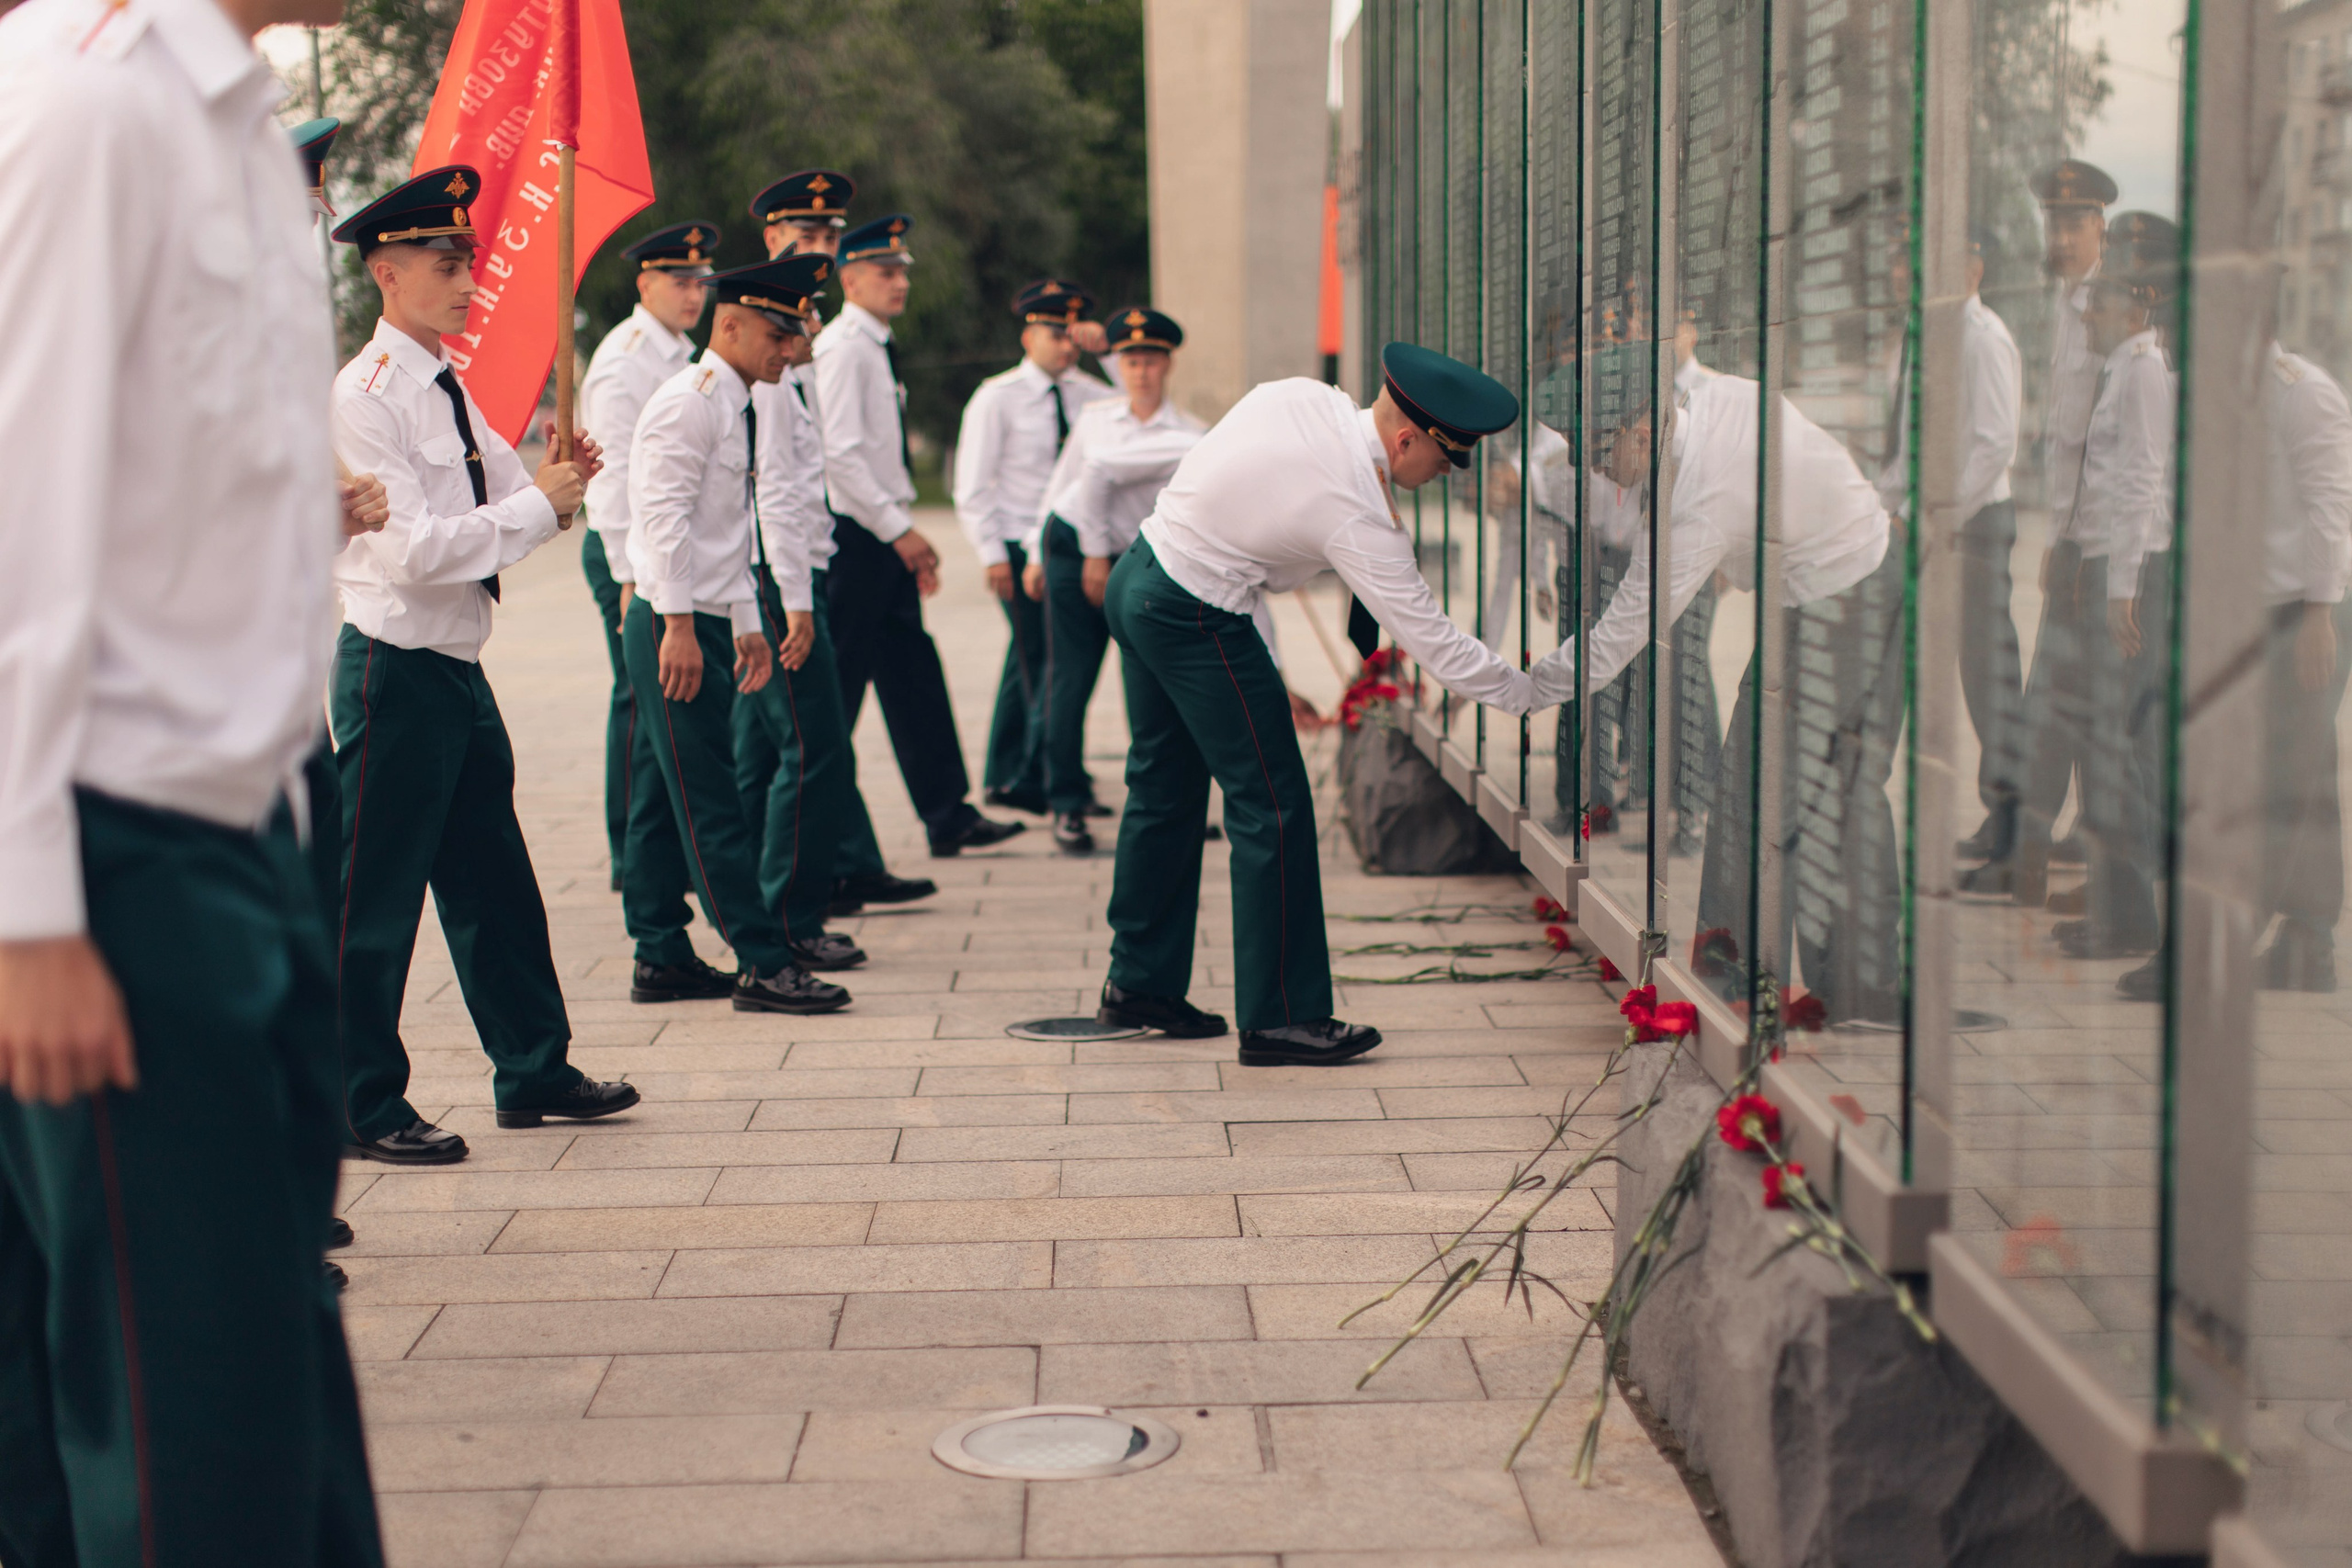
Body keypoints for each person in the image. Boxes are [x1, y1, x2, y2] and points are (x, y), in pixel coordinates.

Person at [0, 0, 383, 1554]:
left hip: (239, 825)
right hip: (112, 854)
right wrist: (30, 907)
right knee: (192, 1444)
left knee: (257, 1383)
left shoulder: (224, 124)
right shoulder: (86, 106)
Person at [1099, 344, 1577, 1066]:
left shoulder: (1306, 396)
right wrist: (1530, 690)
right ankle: (1281, 1019)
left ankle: (1138, 983)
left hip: (1139, 576)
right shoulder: (1356, 512)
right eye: (1445, 459)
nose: (1445, 474)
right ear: (1406, 440)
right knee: (1273, 804)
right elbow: (1435, 642)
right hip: (1194, 615)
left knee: (1162, 789)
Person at [329, 168, 640, 1165]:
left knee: (494, 882)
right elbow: (415, 553)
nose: (467, 281)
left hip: (456, 668)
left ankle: (533, 1068)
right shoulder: (365, 398)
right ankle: (360, 1102)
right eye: (444, 263)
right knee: (373, 901)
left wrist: (559, 482)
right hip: (393, 668)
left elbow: (518, 508)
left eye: (467, 261)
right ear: (386, 272)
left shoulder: (447, 384)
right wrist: (539, 503)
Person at [1570, 343, 1901, 1024]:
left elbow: (1628, 625)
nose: (1596, 470)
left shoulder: (1703, 495)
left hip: (1847, 596)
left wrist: (1524, 689)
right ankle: (1849, 986)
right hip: (1849, 585)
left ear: (1641, 431)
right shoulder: (1712, 402)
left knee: (1764, 781)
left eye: (1600, 452)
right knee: (1828, 784)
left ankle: (1743, 985)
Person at [622, 254, 855, 1014]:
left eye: (793, 335)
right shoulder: (689, 403)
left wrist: (750, 622)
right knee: (709, 799)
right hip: (676, 623)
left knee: (661, 798)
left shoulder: (739, 398)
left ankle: (660, 952)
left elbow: (730, 528)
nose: (791, 348)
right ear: (729, 325)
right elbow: (662, 520)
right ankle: (763, 961)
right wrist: (679, 625)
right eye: (777, 334)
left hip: (711, 617)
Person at [745, 172, 938, 917]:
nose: (821, 246)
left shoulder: (816, 322)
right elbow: (790, 465)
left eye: (830, 235)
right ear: (772, 238)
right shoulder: (767, 322)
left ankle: (834, 867)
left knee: (795, 733)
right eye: (807, 234)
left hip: (808, 549)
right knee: (799, 736)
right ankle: (782, 896)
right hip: (779, 558)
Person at [813, 214, 1025, 855]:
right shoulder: (845, 348)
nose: (900, 282)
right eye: (885, 272)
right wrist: (899, 531)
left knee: (913, 676)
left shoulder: (875, 343)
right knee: (838, 693)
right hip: (857, 539)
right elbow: (840, 456)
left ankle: (947, 813)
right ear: (850, 279)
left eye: (902, 271)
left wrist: (900, 535)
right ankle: (822, 838)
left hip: (881, 537)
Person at [1964, 159, 2116, 900]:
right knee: (2063, 703)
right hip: (2077, 538)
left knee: (2060, 704)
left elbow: (2105, 445)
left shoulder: (2110, 306)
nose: (2060, 236)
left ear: (2100, 228)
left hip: (2099, 542)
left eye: (2073, 223)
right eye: (2052, 222)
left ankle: (2029, 854)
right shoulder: (2067, 302)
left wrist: (2075, 543)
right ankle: (2034, 849)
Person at [1020, 306, 1205, 852]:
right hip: (1073, 549)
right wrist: (1034, 555)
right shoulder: (1096, 418)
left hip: (1140, 560)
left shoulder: (1192, 432)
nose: (1141, 372)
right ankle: (1066, 803)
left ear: (1168, 365)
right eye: (1131, 361)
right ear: (1118, 365)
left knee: (1155, 681)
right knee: (1071, 677)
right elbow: (1063, 485)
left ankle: (1169, 800)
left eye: (1151, 360)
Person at [2049, 215, 2178, 962]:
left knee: (2119, 751)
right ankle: (2119, 906)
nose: (2087, 315)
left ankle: (2137, 915)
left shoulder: (2143, 373)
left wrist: (2121, 587)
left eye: (2100, 304)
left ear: (2135, 309)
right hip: (2102, 567)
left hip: (2128, 574)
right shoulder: (2122, 370)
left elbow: (2140, 485)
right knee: (2105, 750)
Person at [578, 220, 718, 901]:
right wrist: (630, 577)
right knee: (639, 703)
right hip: (628, 552)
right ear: (645, 284)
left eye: (700, 283)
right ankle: (631, 856)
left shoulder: (683, 352)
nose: (693, 294)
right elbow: (610, 476)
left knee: (661, 704)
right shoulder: (625, 360)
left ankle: (657, 855)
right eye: (679, 281)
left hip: (659, 551)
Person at [956, 279, 1118, 815]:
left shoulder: (1092, 394)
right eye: (1055, 333)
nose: (1066, 345)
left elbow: (1139, 408)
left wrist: (1108, 353)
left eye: (1073, 335)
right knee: (1044, 660)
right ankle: (1041, 774)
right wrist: (991, 555)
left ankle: (1021, 772)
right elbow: (973, 485)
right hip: (1016, 544)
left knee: (1041, 660)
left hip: (1071, 544)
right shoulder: (996, 397)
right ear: (1028, 336)